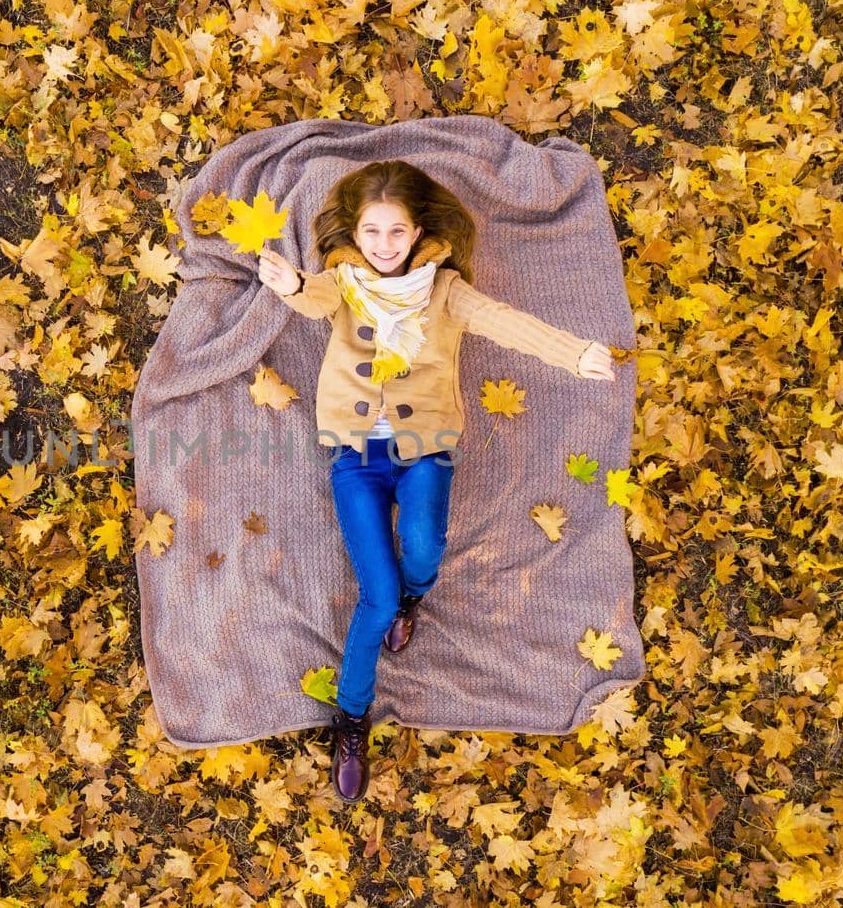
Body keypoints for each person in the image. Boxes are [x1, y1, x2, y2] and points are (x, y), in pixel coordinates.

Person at [255, 160, 617, 802]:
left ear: (419, 231)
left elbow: (507, 322)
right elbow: (316, 297)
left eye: (396, 233)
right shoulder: (344, 280)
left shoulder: (444, 291)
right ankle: (351, 716)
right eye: (372, 232)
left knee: (423, 547)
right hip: (357, 455)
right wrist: (290, 283)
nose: (384, 246)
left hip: (425, 449)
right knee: (375, 593)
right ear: (356, 233)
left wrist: (575, 353)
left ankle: (414, 599)